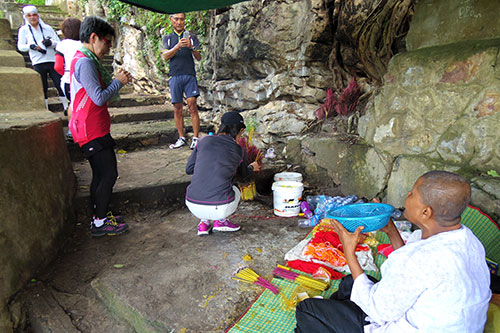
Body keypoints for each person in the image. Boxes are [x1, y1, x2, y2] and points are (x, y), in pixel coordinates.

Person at [295, 170, 491, 332]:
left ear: (426, 212)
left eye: (412, 193)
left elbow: (379, 310)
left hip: (402, 324)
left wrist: (349, 252)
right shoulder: (469, 240)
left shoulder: (420, 260)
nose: (408, 195)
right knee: (349, 284)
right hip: (445, 322)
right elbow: (411, 268)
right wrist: (391, 230)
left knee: (307, 309)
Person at [68, 16, 133, 237]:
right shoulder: (85, 62)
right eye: (107, 42)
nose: (108, 48)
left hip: (92, 127)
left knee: (100, 175)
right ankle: (100, 222)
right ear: (94, 37)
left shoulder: (84, 59)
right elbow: (98, 97)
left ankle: (100, 215)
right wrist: (118, 82)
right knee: (108, 174)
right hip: (90, 129)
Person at [185, 111, 261, 236]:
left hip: (192, 204)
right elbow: (243, 175)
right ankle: (221, 221)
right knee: (235, 189)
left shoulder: (203, 141)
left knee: (206, 183)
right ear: (240, 130)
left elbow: (189, 169)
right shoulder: (239, 150)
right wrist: (252, 167)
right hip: (220, 207)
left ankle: (203, 224)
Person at [162, 12, 202, 150]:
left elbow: (199, 57)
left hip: (189, 74)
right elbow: (166, 56)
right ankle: (182, 137)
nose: (179, 22)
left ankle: (196, 138)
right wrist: (178, 46)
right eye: (176, 19)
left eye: (182, 19)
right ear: (171, 20)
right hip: (175, 75)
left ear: (185, 21)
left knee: (192, 105)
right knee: (177, 108)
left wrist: (191, 47)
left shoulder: (192, 37)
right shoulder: (167, 38)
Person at [17, 5, 67, 110]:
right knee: (43, 86)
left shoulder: (47, 28)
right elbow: (20, 46)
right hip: (38, 61)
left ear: (38, 15)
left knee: (59, 83)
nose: (32, 17)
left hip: (52, 59)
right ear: (26, 17)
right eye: (29, 15)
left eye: (34, 15)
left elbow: (59, 43)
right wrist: (32, 47)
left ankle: (66, 107)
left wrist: (51, 43)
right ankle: (46, 108)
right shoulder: (24, 30)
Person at [54, 17, 82, 140]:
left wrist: (66, 73)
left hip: (68, 79)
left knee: (72, 104)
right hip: (83, 78)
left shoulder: (62, 45)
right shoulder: (84, 44)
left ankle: (72, 131)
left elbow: (58, 66)